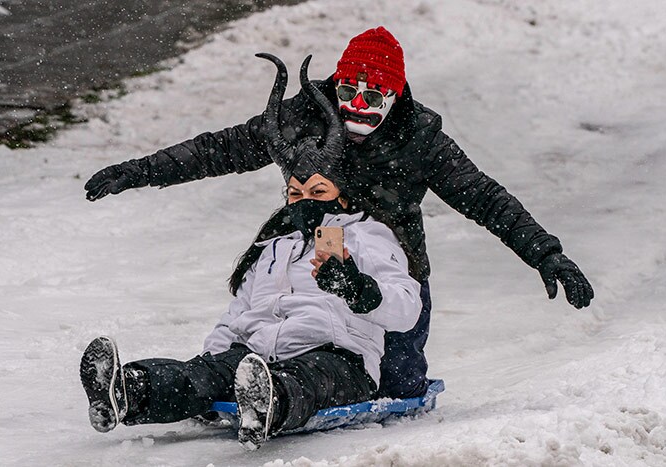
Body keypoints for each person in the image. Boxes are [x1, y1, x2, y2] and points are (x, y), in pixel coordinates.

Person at [83, 26, 594, 400]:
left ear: (396, 96)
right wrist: (139, 171)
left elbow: (484, 197)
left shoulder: (421, 139)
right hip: (309, 259)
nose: (358, 105)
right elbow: (221, 149)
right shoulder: (304, 115)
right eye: (349, 91)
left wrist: (547, 255)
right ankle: (196, 387)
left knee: (392, 386)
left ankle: (302, 386)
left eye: (375, 96)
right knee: (272, 337)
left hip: (390, 272)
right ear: (336, 84)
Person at [79, 55, 422, 450]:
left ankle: (268, 403)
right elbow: (239, 314)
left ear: (341, 196)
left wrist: (361, 290)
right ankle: (129, 391)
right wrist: (215, 360)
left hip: (337, 356)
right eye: (295, 194)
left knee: (311, 379)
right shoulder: (275, 247)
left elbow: (406, 307)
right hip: (256, 357)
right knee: (204, 374)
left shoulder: (366, 235)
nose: (303, 202)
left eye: (318, 193)